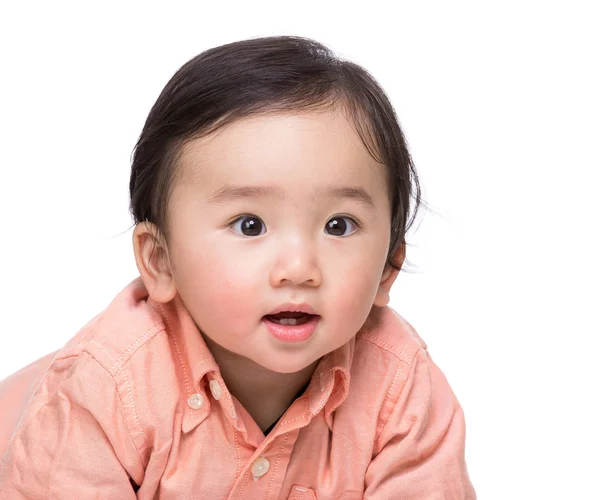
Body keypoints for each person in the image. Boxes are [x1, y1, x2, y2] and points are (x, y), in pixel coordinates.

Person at [0, 35, 476, 499]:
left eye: (338, 225)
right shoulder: (107, 387)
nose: (298, 268)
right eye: (250, 226)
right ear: (160, 261)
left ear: (389, 267)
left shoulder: (402, 389)